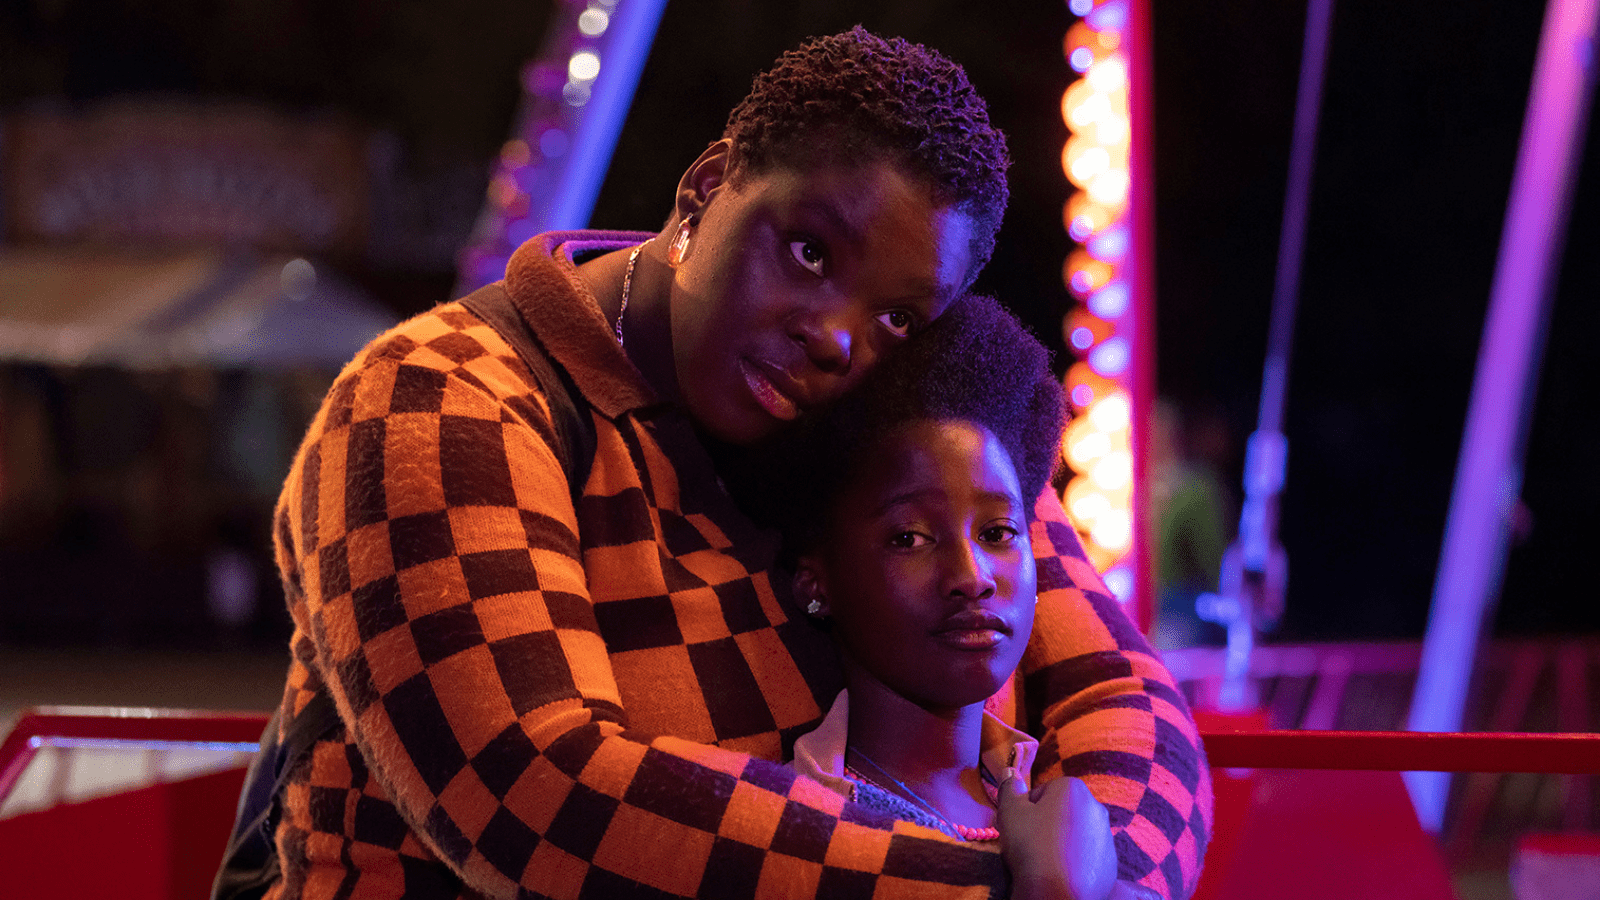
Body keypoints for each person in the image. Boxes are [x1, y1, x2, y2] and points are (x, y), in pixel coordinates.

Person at [255, 26, 1210, 900]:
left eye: (896, 317)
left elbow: (1124, 695)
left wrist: (1110, 875)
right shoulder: (445, 396)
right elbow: (536, 794)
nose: (838, 339)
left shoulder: (904, 413)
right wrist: (1001, 887)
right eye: (807, 251)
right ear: (707, 186)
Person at [746, 293, 1118, 899]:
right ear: (817, 581)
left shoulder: (1064, 807)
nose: (971, 576)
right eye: (910, 538)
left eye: (998, 533)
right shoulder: (796, 831)